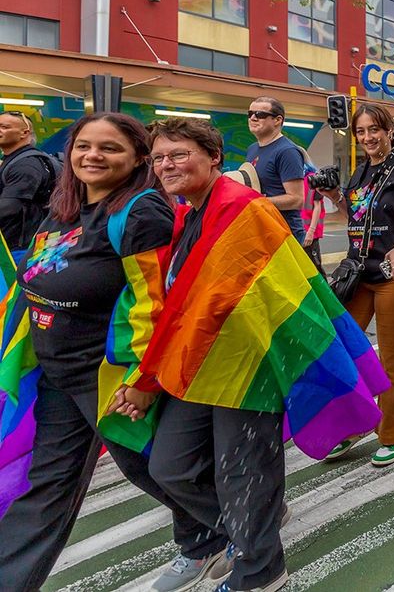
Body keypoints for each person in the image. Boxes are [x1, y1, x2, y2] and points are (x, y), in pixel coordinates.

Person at [126, 118, 388, 592]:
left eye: (179, 154)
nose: (166, 164)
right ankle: (242, 533)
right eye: (160, 157)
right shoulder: (188, 213)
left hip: (249, 364)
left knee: (244, 474)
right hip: (195, 362)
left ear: (213, 159)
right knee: (169, 465)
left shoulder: (244, 209)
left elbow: (281, 293)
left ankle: (260, 572)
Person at [0, 113, 229, 592]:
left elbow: (156, 304)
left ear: (138, 158)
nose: (93, 156)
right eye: (84, 146)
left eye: (109, 148)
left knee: (152, 468)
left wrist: (142, 380)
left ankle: (223, 533)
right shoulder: (63, 207)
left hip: (109, 375)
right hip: (56, 374)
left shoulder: (141, 213)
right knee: (47, 488)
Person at [317, 105, 394, 467]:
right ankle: (355, 424)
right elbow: (358, 216)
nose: (367, 137)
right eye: (361, 132)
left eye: (373, 130)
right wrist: (335, 194)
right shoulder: (361, 172)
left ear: (387, 131)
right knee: (348, 352)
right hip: (358, 275)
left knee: (392, 356)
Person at [245, 96, 306, 242]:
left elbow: (296, 199)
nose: (253, 118)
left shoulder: (287, 151)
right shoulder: (252, 149)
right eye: (250, 114)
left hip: (284, 233)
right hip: (261, 231)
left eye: (260, 114)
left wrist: (257, 202)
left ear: (278, 120)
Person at [0, 110, 59, 261]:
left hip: (22, 250)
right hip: (23, 245)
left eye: (4, 127)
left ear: (24, 133)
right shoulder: (15, 159)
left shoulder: (26, 165)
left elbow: (9, 208)